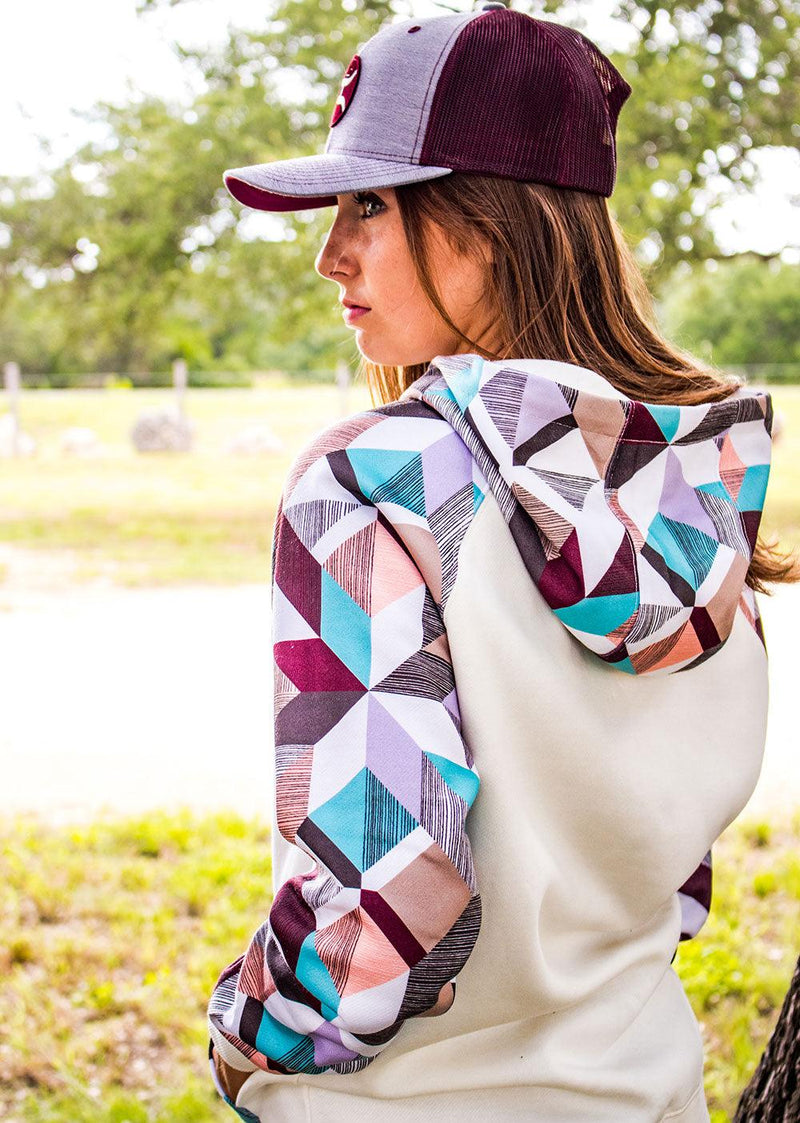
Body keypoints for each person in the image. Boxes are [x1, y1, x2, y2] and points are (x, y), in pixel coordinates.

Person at [206, 5, 797, 1121]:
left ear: (488, 223)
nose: (328, 253)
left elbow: (383, 891)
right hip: (646, 1090)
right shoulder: (699, 486)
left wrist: (248, 1033)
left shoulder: (372, 479)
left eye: (368, 204)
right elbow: (669, 874)